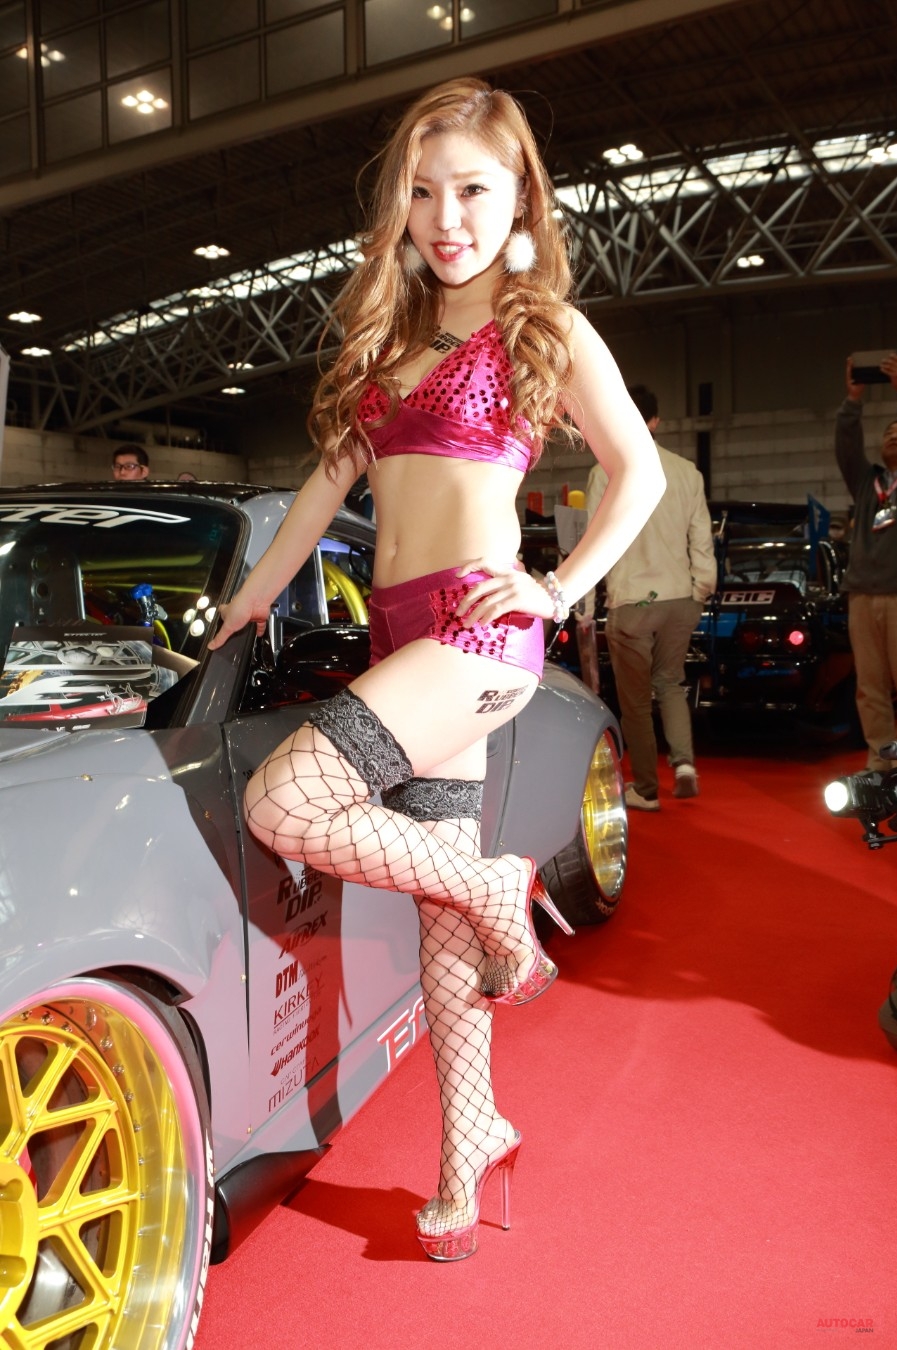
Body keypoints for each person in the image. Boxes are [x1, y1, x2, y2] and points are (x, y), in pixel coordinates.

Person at [208, 77, 664, 1261]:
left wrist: (559, 588)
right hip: (395, 634)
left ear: (520, 199)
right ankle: (473, 1144)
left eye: (471, 190)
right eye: (422, 192)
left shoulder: (543, 328)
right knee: (440, 923)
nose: (445, 217)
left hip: (476, 632)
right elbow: (326, 483)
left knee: (286, 803)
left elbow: (642, 473)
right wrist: (253, 594)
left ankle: (501, 883)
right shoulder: (393, 338)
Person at [585, 385, 716, 810]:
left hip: (632, 602)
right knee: (671, 683)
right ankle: (685, 765)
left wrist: (584, 600)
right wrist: (702, 588)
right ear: (656, 421)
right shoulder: (687, 472)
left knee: (636, 702)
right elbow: (701, 539)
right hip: (681, 598)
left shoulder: (605, 472)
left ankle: (645, 789)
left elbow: (595, 541)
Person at [836, 353, 897, 770]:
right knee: (870, 686)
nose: (894, 436)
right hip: (861, 594)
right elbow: (846, 448)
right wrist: (853, 400)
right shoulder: (867, 481)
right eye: (889, 432)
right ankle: (881, 760)